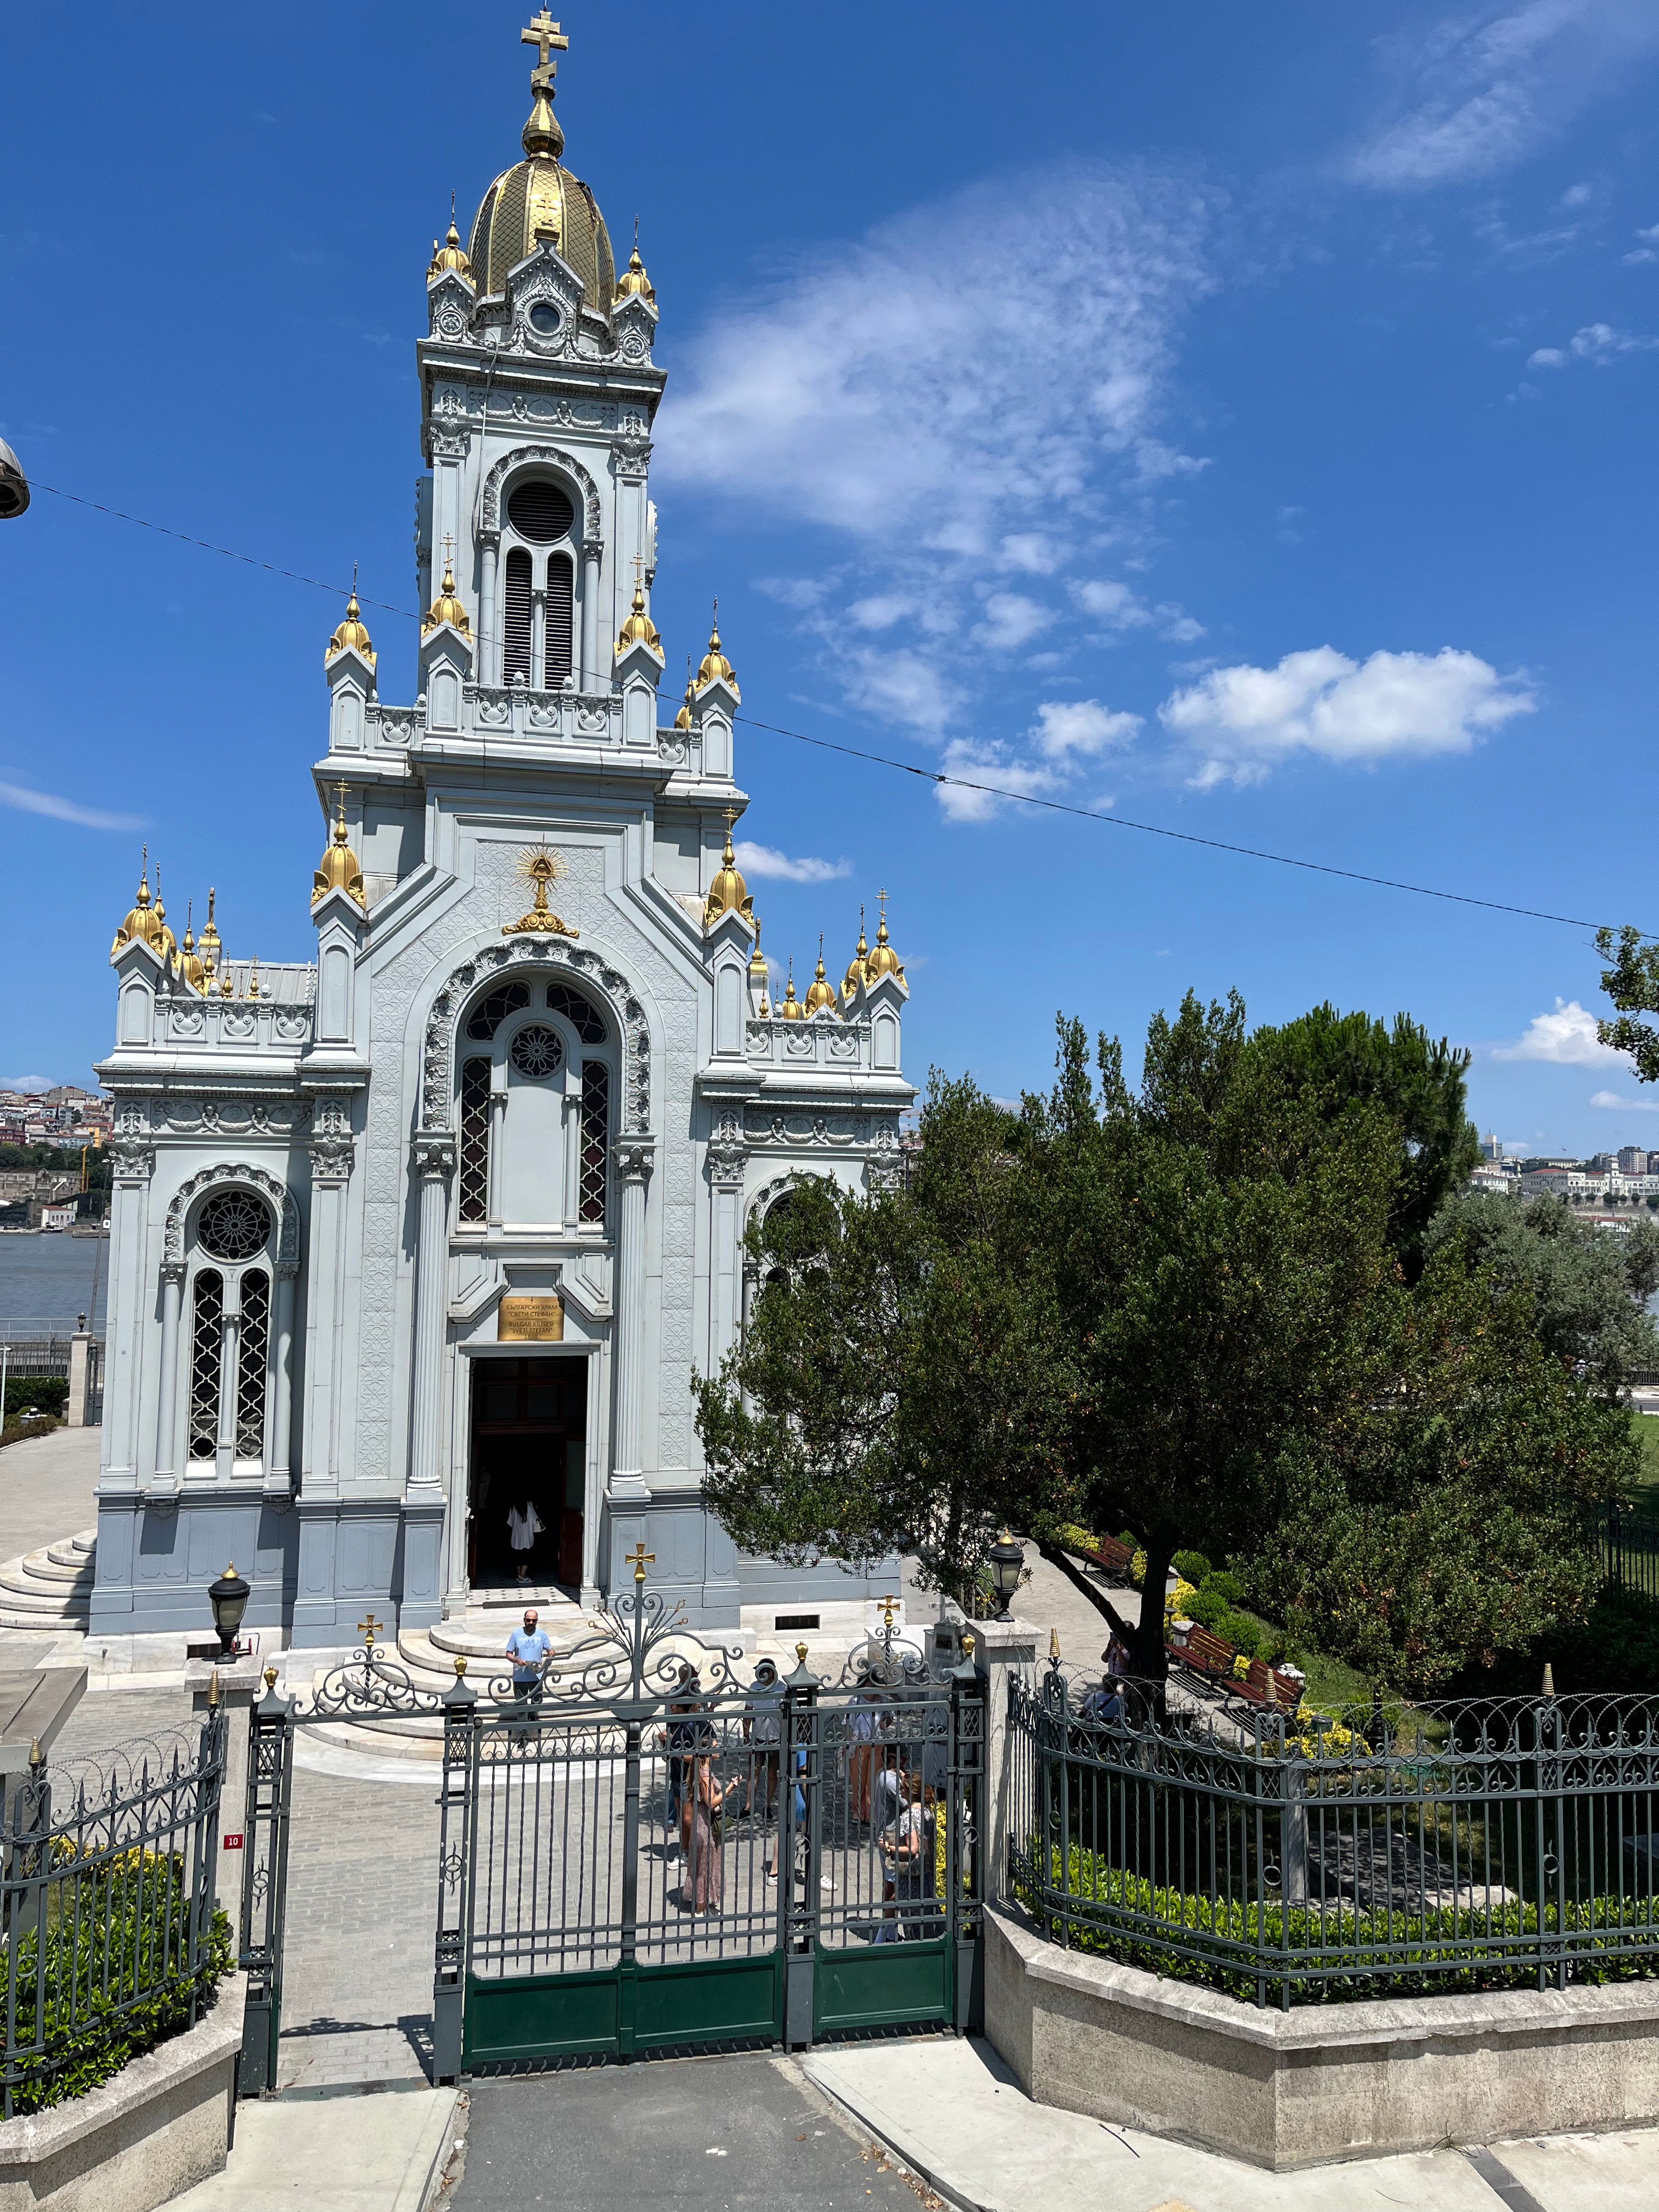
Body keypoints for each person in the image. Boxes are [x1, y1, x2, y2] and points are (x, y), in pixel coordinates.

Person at [875, 1769, 936, 1943]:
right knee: (924, 1914)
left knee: (910, 1915)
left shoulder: (908, 1817)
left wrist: (890, 1847)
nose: (900, 1791)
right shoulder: (927, 1812)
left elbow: (912, 1849)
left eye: (903, 1788)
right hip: (926, 1871)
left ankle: (887, 1938)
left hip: (911, 1874)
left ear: (911, 1792)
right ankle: (887, 1936)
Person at [682, 1706, 726, 1914]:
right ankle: (701, 1906)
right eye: (715, 1744)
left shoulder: (698, 1769)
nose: (719, 1746)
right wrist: (730, 1788)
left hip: (700, 1824)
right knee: (705, 1867)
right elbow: (711, 1802)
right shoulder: (705, 1772)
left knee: (700, 1865)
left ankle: (702, 1902)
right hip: (706, 1827)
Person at [746, 1658, 783, 1872]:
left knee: (772, 1772)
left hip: (776, 1738)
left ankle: (767, 1805)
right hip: (759, 1737)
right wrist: (745, 1732)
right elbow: (748, 1711)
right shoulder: (753, 1688)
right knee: (754, 1770)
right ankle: (749, 1806)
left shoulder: (781, 1689)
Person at [505, 1607, 551, 1702]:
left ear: (537, 1621)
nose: (531, 1623)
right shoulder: (516, 1634)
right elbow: (508, 1654)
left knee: (536, 1706)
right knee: (521, 1708)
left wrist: (550, 1657)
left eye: (534, 1621)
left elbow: (550, 1650)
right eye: (528, 1620)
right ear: (524, 1620)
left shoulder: (542, 1634)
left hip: (536, 1677)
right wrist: (517, 1660)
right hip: (520, 1678)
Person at [506, 1496, 544, 1583]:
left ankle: (520, 1575)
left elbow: (510, 1523)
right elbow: (535, 1520)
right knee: (526, 1556)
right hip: (527, 1536)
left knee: (517, 1555)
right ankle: (522, 1576)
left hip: (516, 1536)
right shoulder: (529, 1506)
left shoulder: (513, 1507)